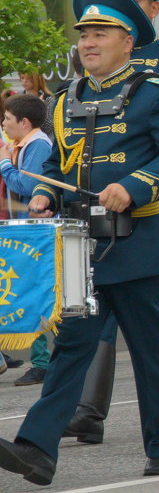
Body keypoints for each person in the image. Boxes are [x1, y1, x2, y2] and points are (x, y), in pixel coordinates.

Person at [0, 0, 159, 484]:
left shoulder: (154, 94)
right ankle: (38, 449)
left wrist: (136, 185)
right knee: (72, 348)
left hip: (140, 243)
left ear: (127, 40)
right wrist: (48, 191)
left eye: (100, 34)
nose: (87, 43)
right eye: (83, 34)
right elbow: (69, 167)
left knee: (151, 347)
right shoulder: (68, 99)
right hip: (84, 247)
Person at [61, 0, 159, 443]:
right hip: (96, 222)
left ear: (148, 10)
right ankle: (88, 409)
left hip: (157, 207)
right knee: (90, 320)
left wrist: (140, 186)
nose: (90, 38)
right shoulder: (81, 85)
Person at [0, 94, 54, 385]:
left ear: (24, 122)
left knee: (34, 292)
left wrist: (5, 165)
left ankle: (44, 362)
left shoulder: (38, 145)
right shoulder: (22, 145)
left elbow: (29, 184)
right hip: (21, 229)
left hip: (34, 231)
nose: (4, 124)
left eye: (8, 119)